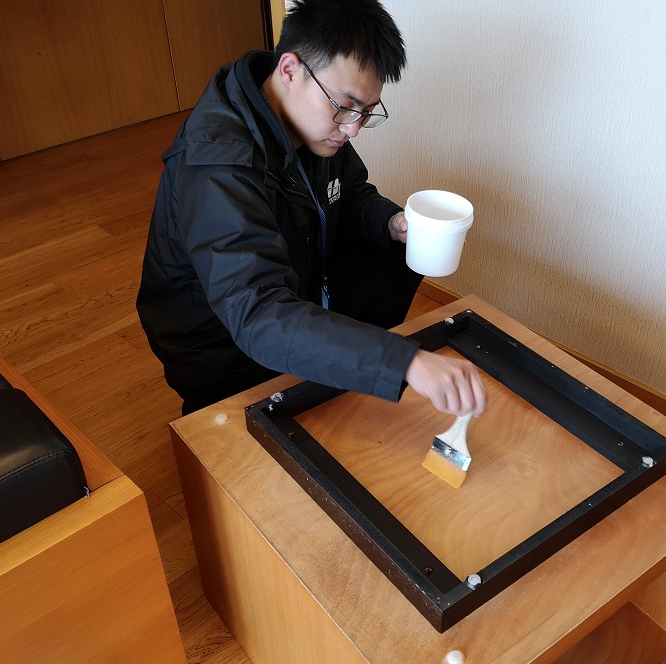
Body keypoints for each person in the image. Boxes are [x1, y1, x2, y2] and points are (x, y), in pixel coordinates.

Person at [136, 0, 487, 418]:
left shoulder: (313, 124)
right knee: (363, 371)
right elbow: (258, 312)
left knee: (389, 245)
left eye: (366, 112)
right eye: (345, 106)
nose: (353, 128)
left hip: (299, 283)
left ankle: (341, 368)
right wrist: (403, 360)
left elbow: (350, 193)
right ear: (289, 69)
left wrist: (391, 223)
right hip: (225, 341)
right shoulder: (218, 163)